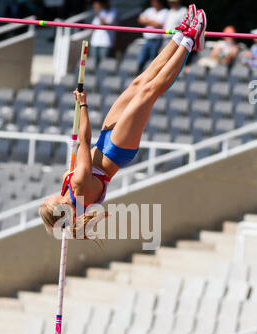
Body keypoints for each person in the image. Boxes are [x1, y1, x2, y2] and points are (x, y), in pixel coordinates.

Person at [39, 6, 207, 240]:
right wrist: (83, 105)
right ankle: (190, 41)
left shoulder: (70, 195)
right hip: (117, 150)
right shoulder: (77, 187)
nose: (47, 197)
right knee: (148, 92)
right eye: (48, 202)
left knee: (138, 84)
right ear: (59, 207)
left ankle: (179, 36)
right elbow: (84, 142)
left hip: (106, 140)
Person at [136, 0, 169, 74]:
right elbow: (140, 20)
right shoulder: (149, 10)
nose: (153, 3)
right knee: (141, 59)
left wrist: (147, 21)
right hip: (147, 40)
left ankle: (152, 75)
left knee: (153, 60)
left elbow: (158, 24)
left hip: (157, 40)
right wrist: (152, 22)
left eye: (156, 1)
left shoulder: (165, 12)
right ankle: (138, 74)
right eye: (153, 1)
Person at [90, 0, 119, 66]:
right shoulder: (101, 12)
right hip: (95, 41)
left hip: (106, 42)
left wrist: (97, 12)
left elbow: (105, 23)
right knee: (93, 63)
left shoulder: (113, 11)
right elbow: (93, 27)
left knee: (104, 64)